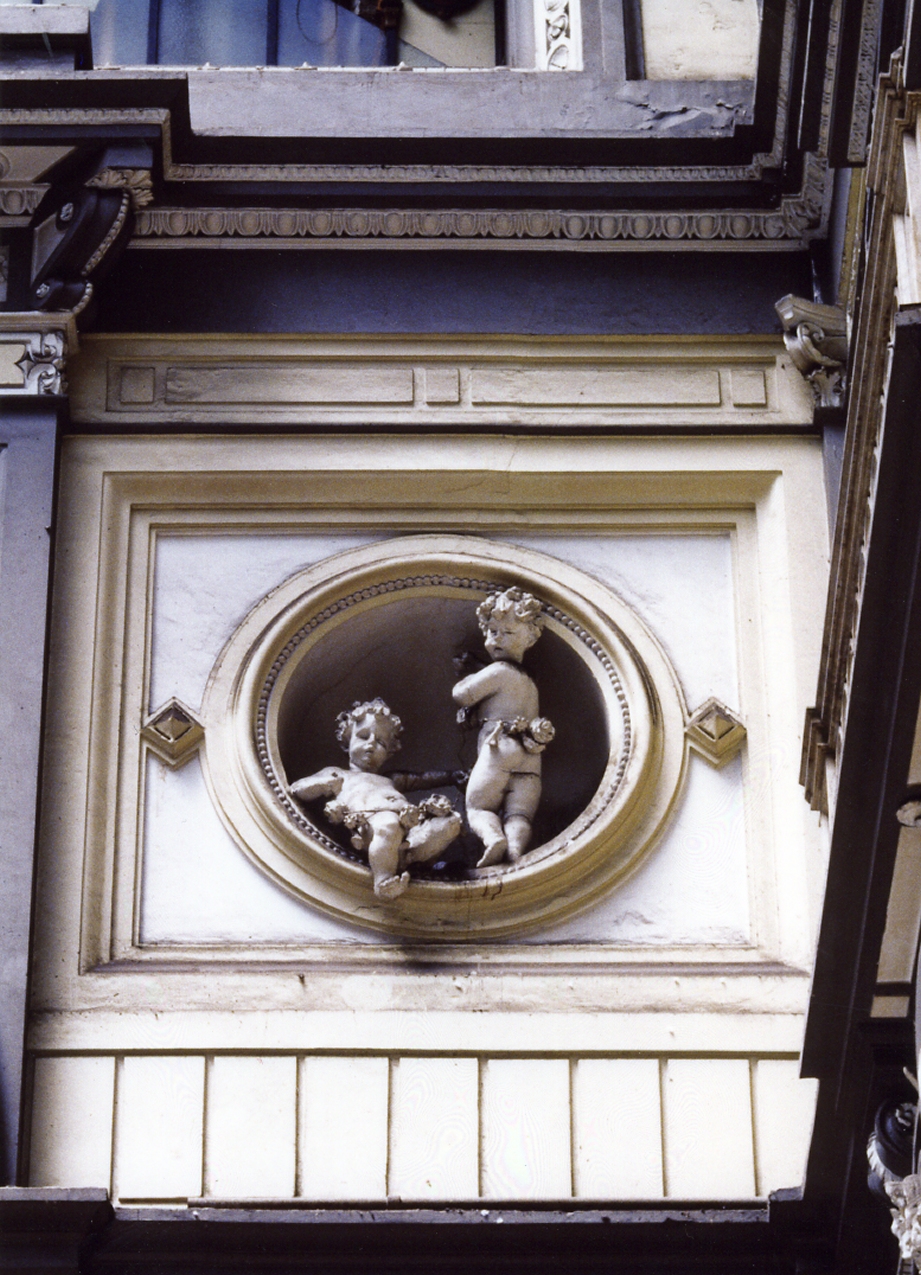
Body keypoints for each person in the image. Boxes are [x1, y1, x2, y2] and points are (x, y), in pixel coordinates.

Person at [289, 698, 462, 900]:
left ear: (389, 752)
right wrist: (323, 784)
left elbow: (423, 779)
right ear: (347, 742)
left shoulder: (392, 779)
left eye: (380, 742)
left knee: (451, 822)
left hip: (409, 827)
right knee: (388, 824)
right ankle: (383, 880)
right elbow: (297, 789)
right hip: (371, 828)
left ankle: (407, 857)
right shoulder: (340, 774)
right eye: (363, 736)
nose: (371, 742)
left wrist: (452, 776)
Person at [452, 587, 555, 867]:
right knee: (519, 814)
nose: (496, 638)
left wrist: (469, 675)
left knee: (479, 807)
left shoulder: (499, 671)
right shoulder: (530, 681)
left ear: (529, 638)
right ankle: (516, 851)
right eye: (492, 631)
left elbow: (462, 694)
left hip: (500, 747)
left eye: (507, 632)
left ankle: (493, 838)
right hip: (531, 755)